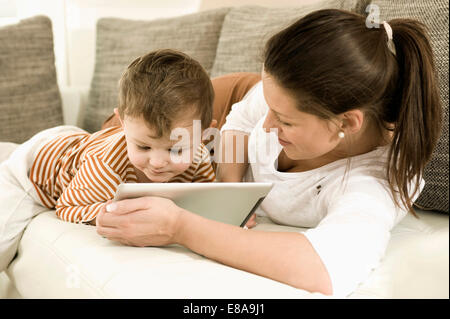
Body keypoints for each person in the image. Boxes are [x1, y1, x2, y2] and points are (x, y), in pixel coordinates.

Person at [94, 9, 442, 297]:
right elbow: (242, 118)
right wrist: (229, 195)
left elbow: (323, 268)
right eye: (270, 108)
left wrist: (179, 227)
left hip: (208, 121)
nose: (267, 125)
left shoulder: (377, 183)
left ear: (348, 123)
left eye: (285, 121)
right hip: (223, 95)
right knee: (109, 140)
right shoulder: (282, 96)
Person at [0, 49, 216, 271]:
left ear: (203, 135)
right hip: (35, 167)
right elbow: (66, 206)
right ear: (122, 122)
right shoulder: (107, 166)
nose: (158, 162)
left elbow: (207, 197)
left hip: (80, 143)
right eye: (143, 146)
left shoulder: (199, 156)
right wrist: (106, 213)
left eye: (176, 150)